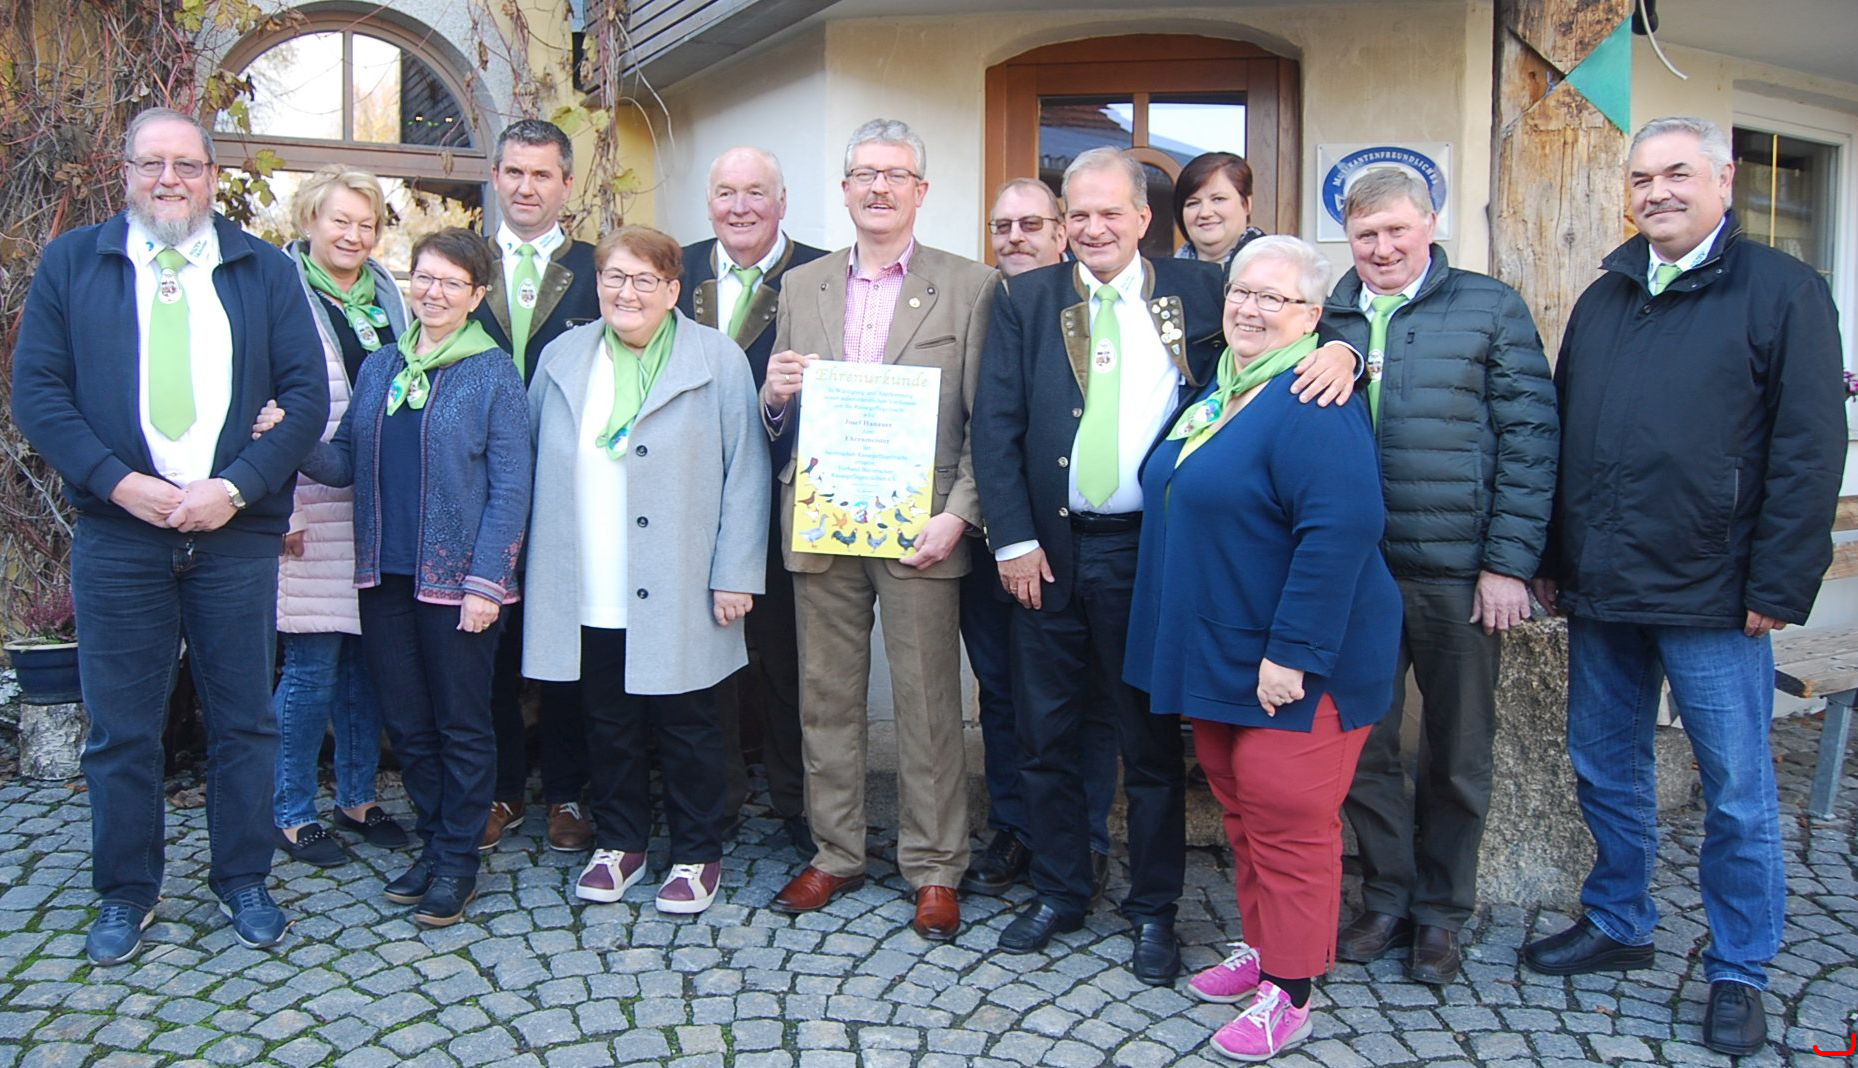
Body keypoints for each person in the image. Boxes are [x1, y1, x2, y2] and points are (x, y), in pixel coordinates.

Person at [971, 149, 1359, 984]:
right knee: (1045, 733)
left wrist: (1346, 353)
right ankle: (1061, 889)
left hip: (1151, 555)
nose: (1093, 228)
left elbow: (1299, 314)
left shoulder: (1202, 287)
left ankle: (1153, 909)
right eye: (1078, 214)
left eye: (1111, 212)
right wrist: (1011, 539)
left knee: (1147, 745)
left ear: (1145, 219)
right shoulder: (1025, 298)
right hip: (1046, 554)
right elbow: (994, 424)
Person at [1524, 116, 1845, 1057]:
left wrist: (1780, 578)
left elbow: (1809, 448)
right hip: (1604, 585)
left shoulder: (1784, 291)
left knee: (1737, 790)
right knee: (1604, 768)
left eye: (1677, 173)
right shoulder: (1606, 295)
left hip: (1716, 592)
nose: (1657, 192)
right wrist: (1553, 556)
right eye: (1642, 178)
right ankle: (1619, 920)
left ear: (1723, 179)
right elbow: (1569, 431)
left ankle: (1741, 967)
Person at [12, 107, 329, 963]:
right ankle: (126, 891)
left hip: (234, 535)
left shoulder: (263, 269)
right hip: (120, 535)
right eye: (152, 163)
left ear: (212, 177)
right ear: (125, 172)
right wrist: (120, 483)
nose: (169, 180)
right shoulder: (73, 264)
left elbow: (306, 398)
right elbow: (38, 393)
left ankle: (244, 878)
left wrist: (236, 488)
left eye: (187, 165)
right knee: (121, 729)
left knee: (244, 722)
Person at [1126, 236, 1401, 1059]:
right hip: (1222, 649)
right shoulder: (1222, 391)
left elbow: (1342, 530)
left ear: (1312, 316)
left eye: (1273, 298)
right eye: (1242, 292)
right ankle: (1265, 943)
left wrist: (1294, 654)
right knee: (1243, 809)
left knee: (1288, 817)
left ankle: (1292, 990)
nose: (1249, 308)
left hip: (1297, 660)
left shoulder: (1314, 396)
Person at [762, 118, 996, 942]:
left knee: (929, 703)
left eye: (895, 175)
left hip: (918, 528)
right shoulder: (803, 286)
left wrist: (959, 515)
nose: (879, 188)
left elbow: (985, 419)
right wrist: (775, 396)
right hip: (823, 515)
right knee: (826, 696)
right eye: (865, 173)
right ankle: (837, 850)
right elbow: (780, 415)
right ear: (845, 188)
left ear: (920, 190)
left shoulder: (970, 286)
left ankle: (934, 867)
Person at [1327, 167, 1558, 984]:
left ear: (1430, 223)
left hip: (1459, 573)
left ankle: (1441, 913)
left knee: (1457, 753)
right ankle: (1387, 896)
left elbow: (1531, 441)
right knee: (1362, 745)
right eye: (1366, 235)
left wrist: (1508, 564)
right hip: (1357, 574)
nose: (1383, 248)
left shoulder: (1489, 307)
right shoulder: (1328, 315)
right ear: (1348, 238)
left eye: (1397, 229)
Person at [525, 225, 768, 915]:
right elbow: (531, 454)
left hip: (684, 576)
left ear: (672, 289)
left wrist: (736, 571)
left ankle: (697, 852)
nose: (626, 292)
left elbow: (746, 470)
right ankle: (621, 843)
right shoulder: (563, 357)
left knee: (690, 722)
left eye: (643, 280)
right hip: (591, 574)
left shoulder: (716, 358)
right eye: (614, 277)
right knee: (607, 719)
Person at [301, 227, 533, 927]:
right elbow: (345, 462)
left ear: (477, 295)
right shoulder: (382, 366)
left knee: (461, 724)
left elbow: (512, 489)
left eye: (451, 283)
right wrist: (292, 440)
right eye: (423, 278)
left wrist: (488, 583)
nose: (433, 293)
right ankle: (435, 846)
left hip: (460, 584)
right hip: (385, 575)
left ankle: (459, 860)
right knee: (408, 725)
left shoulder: (493, 374)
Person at [960, 175, 1118, 900]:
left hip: (1069, 542)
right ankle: (1015, 827)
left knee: (1083, 698)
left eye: (1031, 224)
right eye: (1002, 226)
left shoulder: (1098, 304)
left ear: (1061, 233)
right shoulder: (975, 298)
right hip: (984, 537)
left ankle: (1082, 836)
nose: (1015, 237)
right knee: (1000, 690)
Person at [675, 146, 826, 854]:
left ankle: (799, 804)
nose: (740, 207)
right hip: (690, 506)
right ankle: (717, 798)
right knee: (708, 658)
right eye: (726, 192)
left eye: (756, 192)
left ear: (782, 201)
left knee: (791, 660)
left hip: (792, 503)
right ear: (709, 202)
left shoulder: (822, 275)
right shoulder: (674, 271)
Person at [271, 165, 412, 867]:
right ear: (309, 221)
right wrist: (276, 510)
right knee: (312, 667)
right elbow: (256, 405)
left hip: (378, 507)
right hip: (309, 504)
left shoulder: (389, 295)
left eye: (367, 223)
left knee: (366, 665)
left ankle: (357, 797)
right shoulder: (278, 291)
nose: (354, 235)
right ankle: (289, 809)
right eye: (340, 221)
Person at [469, 119, 597, 853]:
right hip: (477, 489)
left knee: (567, 642)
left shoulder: (598, 269)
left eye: (542, 174)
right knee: (485, 643)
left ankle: (569, 793)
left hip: (571, 490)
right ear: (495, 177)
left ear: (566, 185)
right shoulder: (464, 262)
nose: (526, 187)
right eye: (514, 172)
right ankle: (501, 789)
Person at [1172, 152, 1266, 270]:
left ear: (1246, 204)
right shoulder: (1162, 275)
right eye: (1193, 203)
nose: (1205, 213)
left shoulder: (1277, 268)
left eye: (1218, 199)